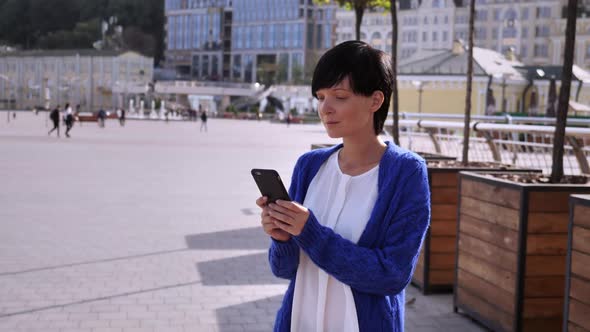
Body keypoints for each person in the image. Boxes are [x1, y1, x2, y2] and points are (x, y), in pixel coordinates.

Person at [255, 41, 431, 332]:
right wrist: (281, 237)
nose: (325, 108)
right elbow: (284, 269)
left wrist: (310, 232)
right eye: (320, 96)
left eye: (339, 96)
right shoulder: (309, 166)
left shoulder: (406, 172)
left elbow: (393, 273)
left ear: (375, 101)